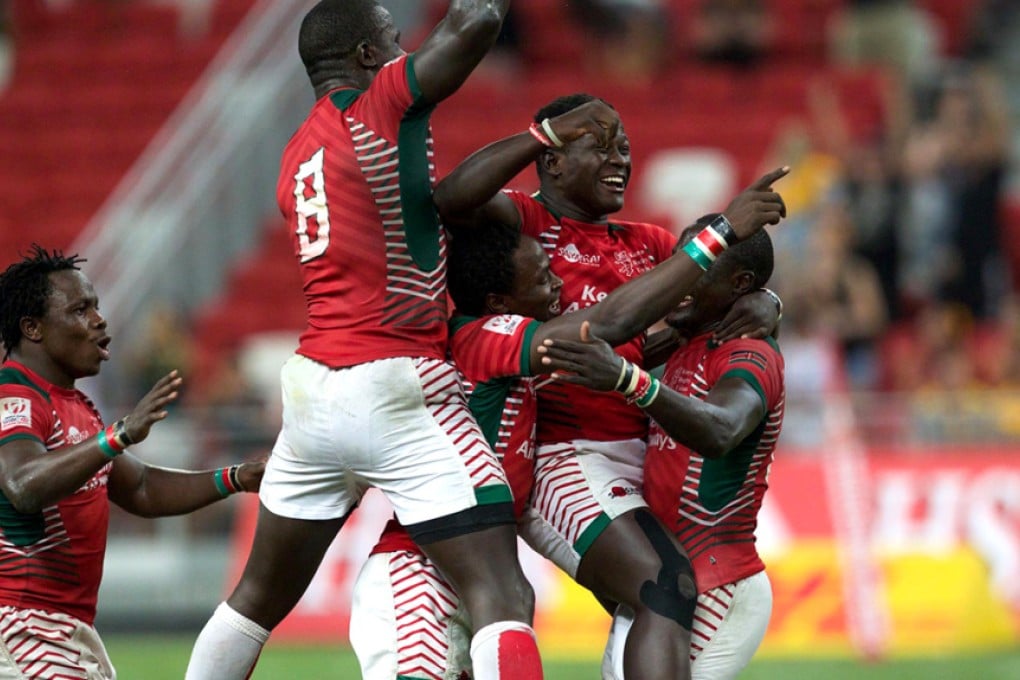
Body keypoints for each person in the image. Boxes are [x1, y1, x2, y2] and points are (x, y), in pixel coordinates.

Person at [184, 3, 548, 679]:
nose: (400, 47)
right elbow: (473, 24)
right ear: (363, 56)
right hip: (394, 380)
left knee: (256, 600)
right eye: (390, 39)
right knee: (502, 591)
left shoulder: (296, 154)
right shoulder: (379, 104)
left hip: (314, 391)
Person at [350, 152, 788, 678]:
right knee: (663, 587)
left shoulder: (650, 251)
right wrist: (540, 137)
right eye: (597, 143)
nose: (619, 157)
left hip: (497, 556)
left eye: (623, 143)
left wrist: (769, 301)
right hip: (496, 513)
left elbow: (690, 292)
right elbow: (605, 325)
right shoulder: (515, 270)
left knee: (632, 598)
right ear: (556, 162)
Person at [0, 245, 264, 679]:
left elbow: (141, 488)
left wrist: (235, 477)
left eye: (97, 307)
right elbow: (22, 485)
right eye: (80, 309)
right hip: (22, 624)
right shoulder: (15, 397)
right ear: (33, 328)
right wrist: (118, 435)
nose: (99, 320)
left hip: (64, 626)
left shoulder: (77, 406)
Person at [538, 220, 785, 679]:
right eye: (676, 264)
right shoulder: (690, 343)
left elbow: (723, 429)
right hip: (665, 582)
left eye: (699, 268)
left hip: (718, 587)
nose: (680, 279)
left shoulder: (748, 353)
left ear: (739, 284)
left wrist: (628, 380)